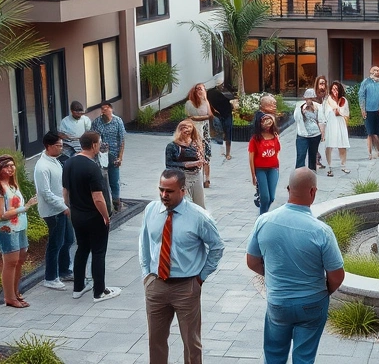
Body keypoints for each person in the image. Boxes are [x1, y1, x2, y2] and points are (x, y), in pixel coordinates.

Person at [246, 168, 345, 364]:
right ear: (313, 192)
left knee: (274, 354)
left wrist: (274, 275)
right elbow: (337, 276)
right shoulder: (322, 231)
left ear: (288, 188)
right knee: (304, 357)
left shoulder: (264, 221)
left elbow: (252, 261)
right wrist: (324, 292)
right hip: (312, 302)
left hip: (278, 302)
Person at [139, 169, 225, 364]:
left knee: (191, 343)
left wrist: (200, 278)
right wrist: (147, 275)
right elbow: (144, 242)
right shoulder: (151, 210)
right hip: (156, 284)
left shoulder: (199, 216)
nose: (163, 195)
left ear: (183, 191)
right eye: (161, 190)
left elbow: (217, 246)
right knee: (155, 341)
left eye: (169, 191)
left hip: (186, 287)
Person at [63, 131, 122, 303]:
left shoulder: (69, 163)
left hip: (77, 216)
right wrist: (106, 216)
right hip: (94, 217)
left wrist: (71, 207)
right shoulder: (92, 167)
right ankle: (99, 291)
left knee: (82, 249)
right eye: (99, 143)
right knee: (98, 252)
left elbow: (65, 193)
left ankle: (78, 287)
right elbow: (98, 197)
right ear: (94, 145)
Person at [0, 154, 37, 308]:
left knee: (20, 260)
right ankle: (9, 297)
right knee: (10, 262)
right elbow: (1, 214)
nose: (10, 168)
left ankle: (15, 292)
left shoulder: (13, 185)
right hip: (7, 229)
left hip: (20, 227)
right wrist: (26, 207)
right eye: (6, 166)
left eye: (12, 165)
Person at [34, 132, 74, 289]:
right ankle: (50, 277)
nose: (61, 148)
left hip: (61, 208)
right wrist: (63, 206)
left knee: (68, 239)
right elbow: (45, 193)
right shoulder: (42, 167)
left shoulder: (55, 161)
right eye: (59, 145)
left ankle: (64, 270)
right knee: (55, 244)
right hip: (53, 212)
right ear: (49, 146)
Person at [91, 101, 126, 211]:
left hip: (114, 155)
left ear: (111, 109)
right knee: (102, 180)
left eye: (106, 108)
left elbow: (122, 140)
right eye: (102, 109)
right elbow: (93, 139)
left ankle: (116, 202)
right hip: (101, 156)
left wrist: (120, 157)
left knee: (114, 180)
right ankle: (106, 204)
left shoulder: (117, 121)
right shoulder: (97, 122)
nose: (104, 111)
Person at [165, 120, 208, 208]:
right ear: (179, 130)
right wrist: (186, 164)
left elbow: (202, 157)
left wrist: (201, 163)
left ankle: (200, 220)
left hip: (196, 175)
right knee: (185, 204)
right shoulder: (172, 146)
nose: (186, 129)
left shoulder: (196, 143)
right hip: (181, 176)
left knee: (199, 204)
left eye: (189, 127)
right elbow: (168, 164)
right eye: (183, 127)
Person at [250, 114, 282, 215]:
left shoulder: (275, 136)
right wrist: (253, 175)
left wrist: (278, 168)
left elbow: (277, 152)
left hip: (273, 168)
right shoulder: (255, 139)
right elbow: (251, 158)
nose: (267, 126)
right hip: (260, 169)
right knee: (265, 197)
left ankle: (264, 215)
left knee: (271, 197)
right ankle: (262, 217)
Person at [185, 84, 213, 189]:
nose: (201, 91)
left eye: (203, 89)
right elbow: (190, 117)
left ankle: (207, 179)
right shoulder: (189, 103)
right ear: (195, 91)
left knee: (206, 156)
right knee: (196, 155)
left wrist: (205, 99)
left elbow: (210, 116)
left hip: (205, 133)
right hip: (194, 132)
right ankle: (197, 178)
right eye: (199, 89)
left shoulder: (206, 102)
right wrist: (201, 117)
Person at [294, 88, 325, 173]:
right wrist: (303, 110)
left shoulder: (318, 106)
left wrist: (322, 133)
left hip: (315, 134)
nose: (309, 100)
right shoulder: (299, 106)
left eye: (311, 98)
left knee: (312, 155)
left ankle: (312, 173)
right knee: (301, 155)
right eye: (307, 98)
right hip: (302, 135)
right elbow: (296, 118)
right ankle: (299, 174)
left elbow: (321, 120)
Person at [359, 66, 379, 159]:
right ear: (371, 71)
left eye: (378, 70)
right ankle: (369, 153)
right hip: (369, 110)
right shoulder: (366, 82)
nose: (377, 71)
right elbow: (361, 95)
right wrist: (363, 109)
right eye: (375, 70)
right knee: (370, 133)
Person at [324, 81, 351, 173]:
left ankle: (343, 165)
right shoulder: (328, 99)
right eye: (333, 88)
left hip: (341, 124)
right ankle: (329, 166)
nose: (334, 90)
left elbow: (345, 113)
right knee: (329, 145)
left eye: (336, 89)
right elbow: (327, 112)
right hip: (331, 124)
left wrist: (338, 111)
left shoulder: (343, 100)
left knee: (342, 146)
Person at [206, 76, 235, 159]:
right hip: (222, 114)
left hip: (221, 114)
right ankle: (226, 153)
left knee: (223, 134)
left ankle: (225, 153)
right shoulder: (222, 92)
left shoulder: (211, 93)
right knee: (225, 133)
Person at [313, 76, 330, 170]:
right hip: (316, 123)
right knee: (316, 141)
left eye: (323, 83)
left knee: (319, 141)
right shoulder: (314, 97)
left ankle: (317, 159)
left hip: (325, 122)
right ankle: (316, 160)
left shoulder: (327, 96)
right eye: (320, 83)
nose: (322, 85)